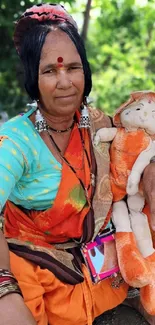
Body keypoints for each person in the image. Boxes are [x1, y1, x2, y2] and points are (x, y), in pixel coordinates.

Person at [0, 3, 155, 325]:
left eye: (73, 67)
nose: (65, 82)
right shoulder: (14, 141)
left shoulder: (99, 124)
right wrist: (4, 287)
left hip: (99, 254)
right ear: (32, 76)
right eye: (49, 71)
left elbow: (135, 151)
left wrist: (151, 165)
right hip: (37, 262)